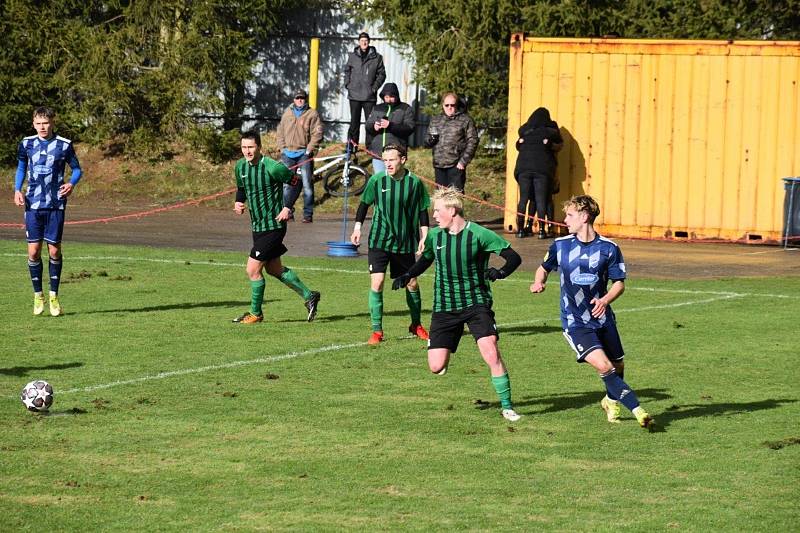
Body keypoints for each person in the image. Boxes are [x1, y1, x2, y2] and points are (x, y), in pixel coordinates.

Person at [392, 187, 523, 422]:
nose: (433, 216)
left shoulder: (480, 234)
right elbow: (427, 259)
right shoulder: (435, 236)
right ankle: (447, 349)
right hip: (444, 307)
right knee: (435, 366)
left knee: (490, 351)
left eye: (437, 211)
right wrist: (408, 274)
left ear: (452, 211)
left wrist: (500, 272)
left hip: (476, 303)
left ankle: (507, 407)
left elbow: (514, 257)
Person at [530, 195, 654, 430]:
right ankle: (639, 411)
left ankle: (610, 400)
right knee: (605, 366)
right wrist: (540, 282)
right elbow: (543, 268)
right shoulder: (560, 245)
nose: (565, 220)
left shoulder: (609, 249)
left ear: (584, 217)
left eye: (570, 215)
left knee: (617, 365)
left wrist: (605, 300)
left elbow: (619, 283)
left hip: (603, 318)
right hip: (575, 321)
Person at [232, 130, 321, 324]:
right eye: (244, 147)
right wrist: (239, 203)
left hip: (274, 225)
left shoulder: (272, 167)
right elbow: (241, 189)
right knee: (273, 268)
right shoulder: (240, 167)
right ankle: (309, 296)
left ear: (259, 147)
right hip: (257, 226)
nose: (247, 151)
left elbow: (296, 183)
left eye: (251, 147)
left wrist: (287, 207)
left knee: (252, 270)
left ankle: (256, 313)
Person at [350, 144, 430, 345]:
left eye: (392, 160)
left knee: (411, 283)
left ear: (403, 159)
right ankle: (377, 331)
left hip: (404, 242)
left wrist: (424, 236)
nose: (388, 164)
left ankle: (416, 324)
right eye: (385, 160)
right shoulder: (377, 180)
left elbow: (422, 211)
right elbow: (364, 204)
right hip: (379, 240)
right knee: (377, 283)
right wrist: (357, 228)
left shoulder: (414, 183)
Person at [14, 106, 82, 317]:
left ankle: (54, 295)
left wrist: (71, 183)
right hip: (33, 204)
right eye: (39, 123)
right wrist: (17, 189)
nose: (43, 127)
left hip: (55, 204)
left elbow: (77, 169)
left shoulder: (64, 145)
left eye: (46, 123)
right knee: (33, 252)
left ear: (52, 122)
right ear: (34, 124)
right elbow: (21, 168)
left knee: (54, 250)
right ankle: (38, 295)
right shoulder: (26, 144)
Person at [514, 107, 563, 239]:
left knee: (524, 199)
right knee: (541, 199)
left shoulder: (525, 130)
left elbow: (519, 145)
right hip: (542, 169)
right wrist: (549, 144)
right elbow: (559, 144)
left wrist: (520, 143)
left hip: (523, 168)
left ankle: (520, 229)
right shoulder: (550, 130)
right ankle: (542, 230)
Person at [276, 89, 323, 223]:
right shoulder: (287, 113)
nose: (300, 100)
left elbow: (317, 133)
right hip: (287, 154)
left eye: (302, 98)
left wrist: (309, 150)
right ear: (293, 100)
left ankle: (307, 214)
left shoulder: (312, 113)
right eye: (297, 98)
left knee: (307, 185)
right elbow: (280, 132)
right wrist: (282, 149)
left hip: (304, 154)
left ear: (305, 99)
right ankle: (288, 211)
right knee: (286, 185)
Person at [424, 92, 479, 191]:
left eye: (452, 105)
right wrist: (431, 140)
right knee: (441, 199)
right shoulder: (436, 120)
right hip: (439, 165)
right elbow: (427, 142)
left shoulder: (465, 120)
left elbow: (473, 141)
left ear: (456, 105)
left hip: (456, 166)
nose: (449, 107)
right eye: (447, 105)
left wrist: (463, 161)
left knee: (455, 200)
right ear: (443, 105)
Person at [344, 32, 386, 147]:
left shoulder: (377, 58)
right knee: (354, 123)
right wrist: (347, 84)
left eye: (366, 40)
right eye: (362, 40)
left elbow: (382, 75)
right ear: (359, 42)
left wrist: (374, 88)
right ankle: (351, 147)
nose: (364, 42)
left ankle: (371, 148)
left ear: (369, 42)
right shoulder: (352, 56)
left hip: (369, 97)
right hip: (354, 95)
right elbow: (347, 70)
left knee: (371, 123)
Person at [365, 83, 414, 174]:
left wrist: (390, 126)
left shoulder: (405, 108)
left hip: (396, 154)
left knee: (395, 181)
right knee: (381, 180)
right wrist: (373, 127)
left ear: (397, 96)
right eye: (386, 97)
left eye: (391, 97)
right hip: (378, 154)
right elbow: (368, 125)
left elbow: (409, 128)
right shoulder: (376, 108)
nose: (388, 99)